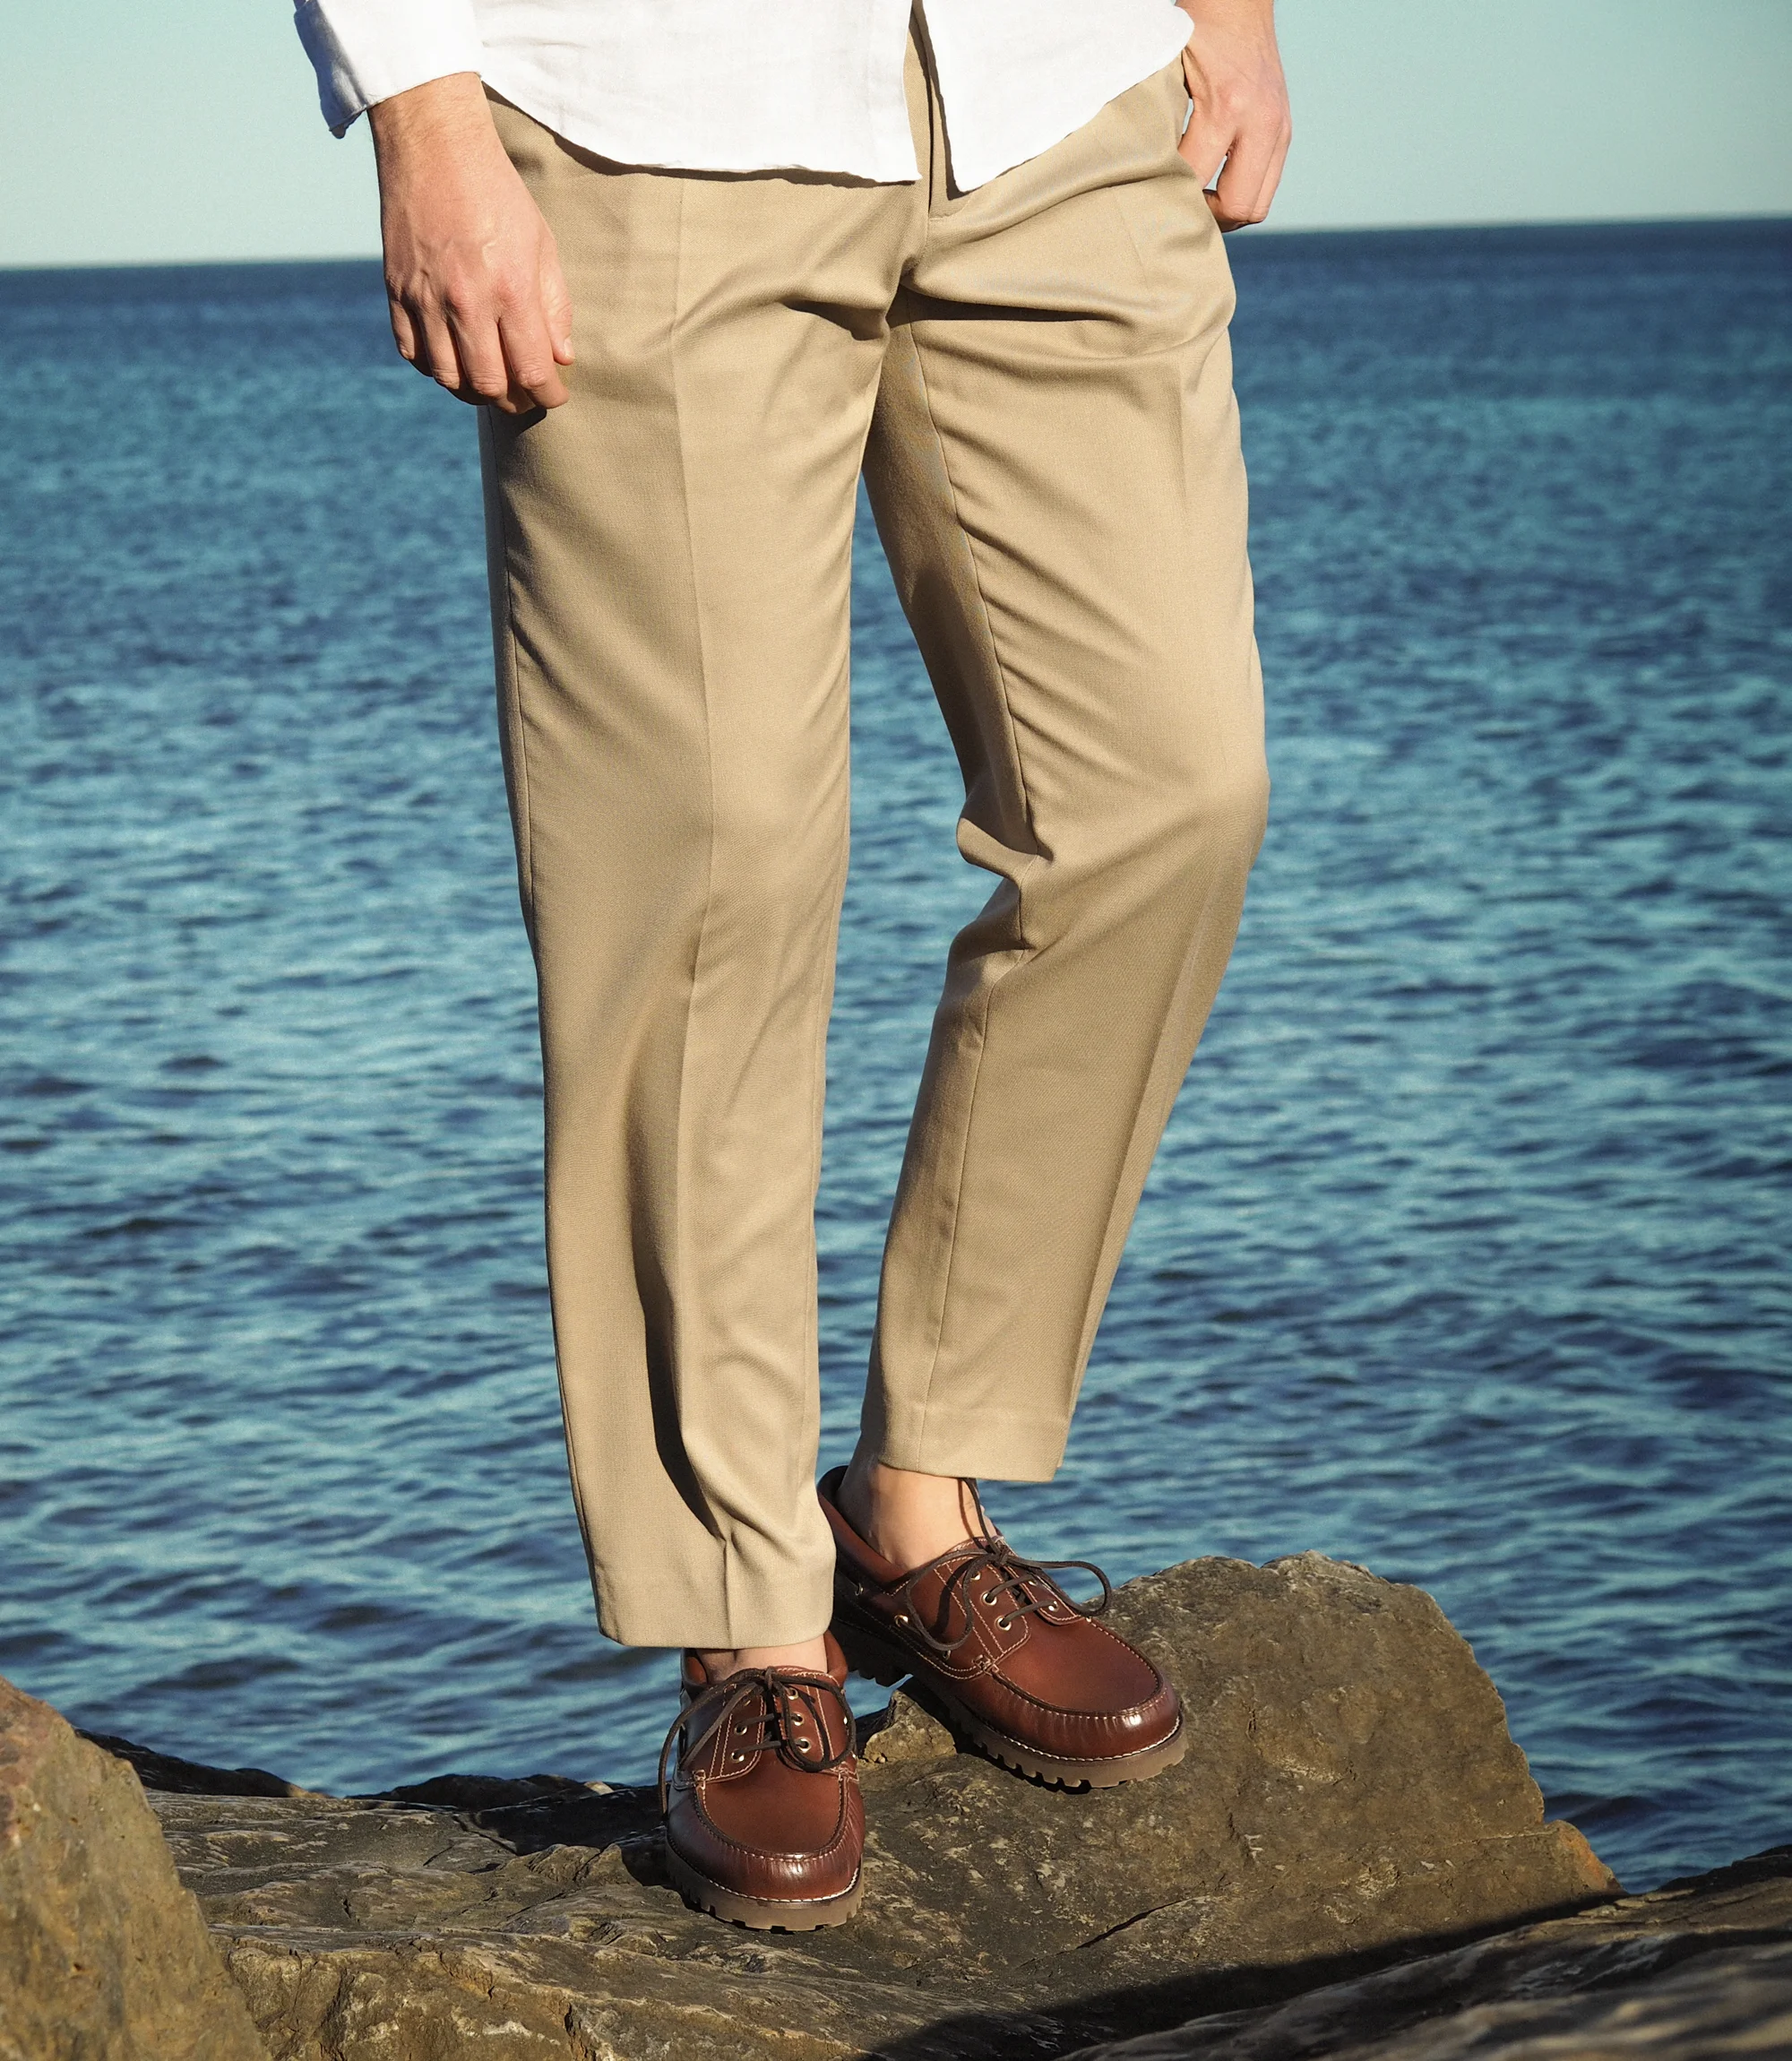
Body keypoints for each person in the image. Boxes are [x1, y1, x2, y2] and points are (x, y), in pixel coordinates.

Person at [293, 0, 1289, 1931]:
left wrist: (1227, 16)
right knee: (702, 872)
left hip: (1056, 93)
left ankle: (916, 1505)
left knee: (1173, 787)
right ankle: (748, 1612)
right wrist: (421, 115)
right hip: (651, 102)